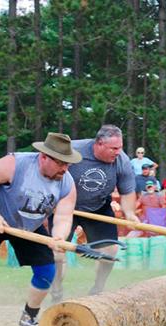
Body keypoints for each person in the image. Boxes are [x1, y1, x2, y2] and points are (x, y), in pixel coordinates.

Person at [0, 132, 80, 326]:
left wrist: (59, 236)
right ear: (44, 157)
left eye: (68, 164)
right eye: (60, 163)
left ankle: (29, 316)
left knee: (48, 270)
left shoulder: (67, 183)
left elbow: (64, 216)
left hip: (29, 226)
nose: (65, 169)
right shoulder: (16, 164)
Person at [51, 125, 139, 301]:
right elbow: (48, 175)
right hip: (65, 207)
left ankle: (98, 288)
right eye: (114, 148)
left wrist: (129, 213)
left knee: (110, 251)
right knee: (57, 252)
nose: (118, 152)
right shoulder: (72, 150)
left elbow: (127, 191)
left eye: (120, 147)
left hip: (98, 206)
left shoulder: (121, 160)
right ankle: (57, 290)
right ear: (99, 144)